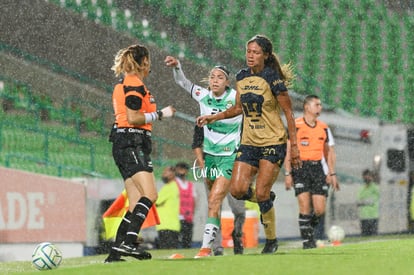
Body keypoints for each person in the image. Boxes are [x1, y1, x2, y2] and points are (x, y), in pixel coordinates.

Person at [197, 34, 301, 254]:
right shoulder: (241, 76)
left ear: (265, 55)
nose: (250, 56)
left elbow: (289, 112)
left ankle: (271, 241)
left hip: (273, 142)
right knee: (237, 190)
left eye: (255, 52)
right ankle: (266, 199)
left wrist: (295, 147)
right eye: (248, 51)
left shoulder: (272, 78)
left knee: (261, 192)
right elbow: (237, 108)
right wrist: (213, 117)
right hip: (249, 143)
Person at [165, 55, 244, 258]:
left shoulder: (235, 97)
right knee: (213, 204)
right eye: (212, 77)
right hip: (210, 157)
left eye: (219, 77)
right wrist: (178, 67)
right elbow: (183, 82)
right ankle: (212, 248)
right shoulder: (202, 94)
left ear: (227, 82)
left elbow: (242, 109)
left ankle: (205, 248)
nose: (215, 80)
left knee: (217, 198)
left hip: (229, 156)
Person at [104, 44, 175, 262]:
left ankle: (116, 252)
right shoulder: (134, 84)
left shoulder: (125, 83)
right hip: (132, 141)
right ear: (143, 62)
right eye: (148, 61)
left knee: (135, 201)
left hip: (125, 142)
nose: (150, 65)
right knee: (150, 194)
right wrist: (161, 114)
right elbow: (134, 117)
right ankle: (128, 243)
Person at [284, 94, 339, 249]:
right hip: (300, 168)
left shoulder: (324, 128)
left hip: (317, 169)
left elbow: (329, 152)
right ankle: (308, 241)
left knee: (320, 209)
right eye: (317, 104)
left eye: (320, 105)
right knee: (304, 206)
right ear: (307, 107)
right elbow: (288, 150)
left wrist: (331, 172)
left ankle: (310, 230)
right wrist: (287, 173)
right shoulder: (296, 125)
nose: (320, 107)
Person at [192, 125, 246, 256]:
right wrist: (201, 163)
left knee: (239, 210)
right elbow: (196, 144)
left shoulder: (235, 117)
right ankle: (216, 247)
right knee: (214, 206)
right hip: (212, 167)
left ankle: (237, 235)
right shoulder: (205, 117)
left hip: (232, 167)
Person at [155, 166, 181, 249]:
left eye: (165, 172)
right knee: (171, 251)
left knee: (166, 251)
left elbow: (155, 201)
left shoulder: (169, 187)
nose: (163, 174)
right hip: (171, 225)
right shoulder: (174, 186)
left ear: (172, 174)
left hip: (166, 225)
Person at [174, 161, 197, 249]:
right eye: (179, 169)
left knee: (187, 240)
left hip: (188, 217)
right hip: (177, 217)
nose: (181, 171)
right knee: (175, 241)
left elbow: (194, 200)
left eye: (183, 169)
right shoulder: (174, 183)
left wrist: (192, 213)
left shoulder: (190, 185)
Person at [356, 169, 380, 236]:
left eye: (368, 176)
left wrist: (363, 201)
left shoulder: (375, 187)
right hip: (363, 216)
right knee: (364, 236)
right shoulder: (362, 188)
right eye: (365, 176)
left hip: (373, 216)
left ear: (371, 177)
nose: (366, 178)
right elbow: (358, 201)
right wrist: (364, 201)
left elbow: (372, 201)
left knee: (373, 236)